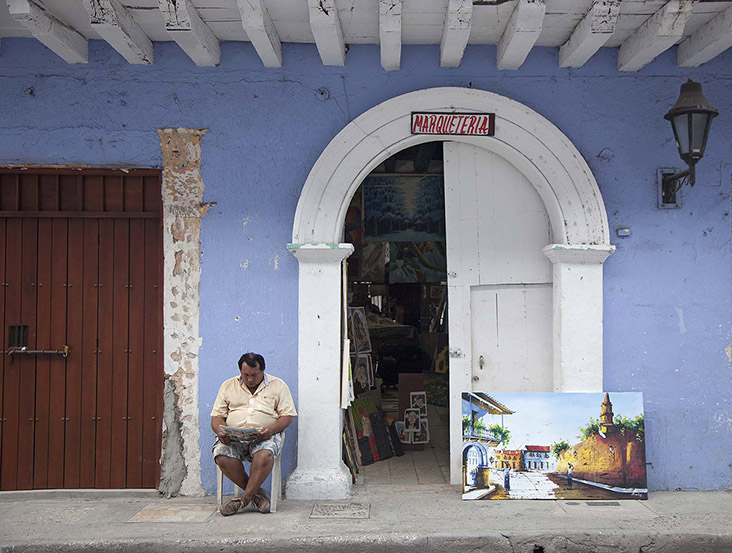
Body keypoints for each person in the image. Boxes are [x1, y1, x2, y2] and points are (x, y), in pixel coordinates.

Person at [211, 352, 297, 516]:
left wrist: (271, 430)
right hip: (234, 437)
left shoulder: (278, 385)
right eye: (246, 375)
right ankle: (257, 496)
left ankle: (243, 499)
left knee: (265, 454)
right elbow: (217, 417)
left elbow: (287, 416)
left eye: (254, 375)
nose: (250, 379)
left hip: (264, 436)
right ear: (240, 372)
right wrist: (220, 431)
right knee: (221, 454)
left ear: (263, 370)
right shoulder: (228, 385)